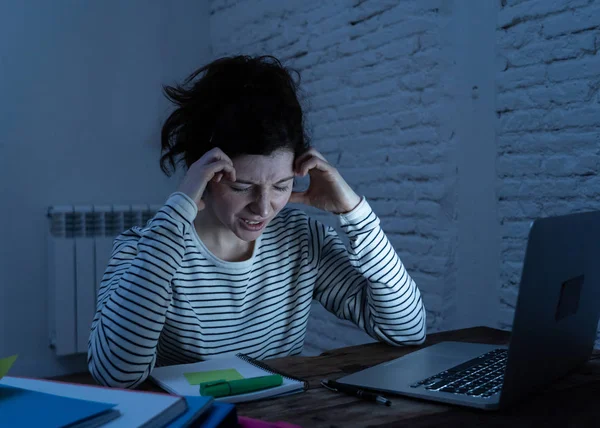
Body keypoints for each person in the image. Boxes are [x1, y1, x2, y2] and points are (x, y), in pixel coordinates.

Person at [87, 55, 426, 388]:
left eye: (281, 186)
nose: (263, 208)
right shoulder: (145, 250)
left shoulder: (302, 240)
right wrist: (180, 207)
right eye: (241, 187)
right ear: (202, 172)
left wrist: (356, 215)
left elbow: (407, 329)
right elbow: (117, 374)